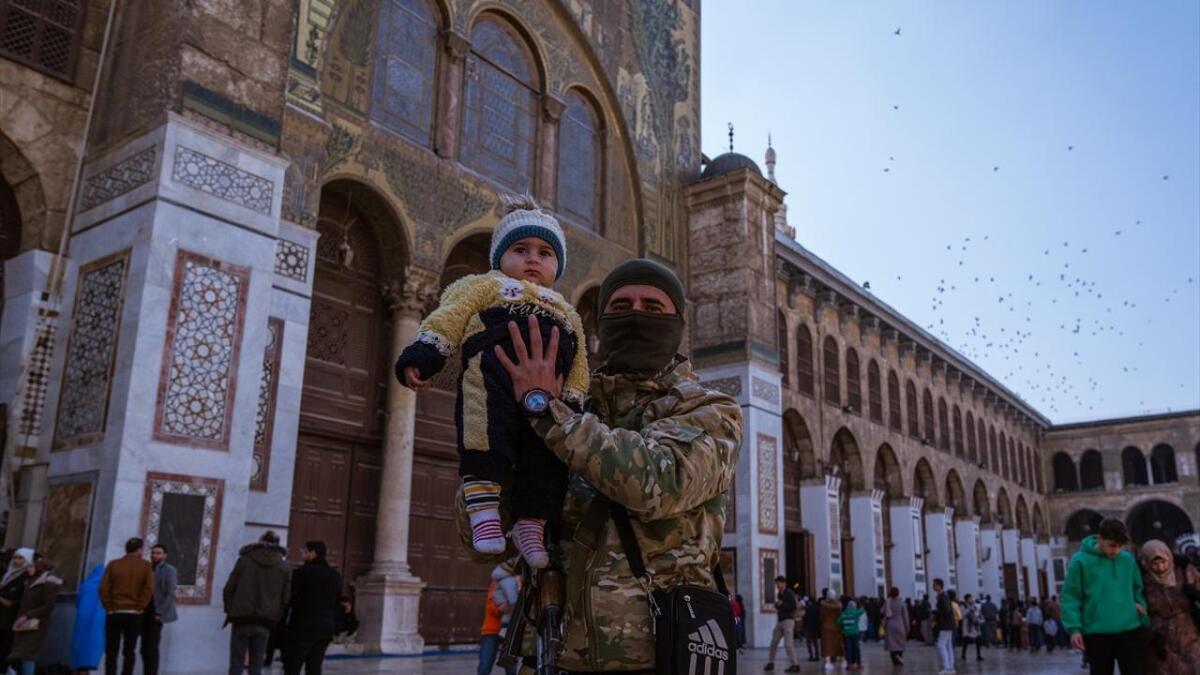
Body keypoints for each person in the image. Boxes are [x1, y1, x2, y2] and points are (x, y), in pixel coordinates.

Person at [453, 258, 743, 672]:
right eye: (620, 308)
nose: (636, 316)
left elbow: (657, 482)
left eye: (652, 307)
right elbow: (481, 543)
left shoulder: (711, 410)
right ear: (600, 322)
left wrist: (546, 412)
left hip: (656, 655)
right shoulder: (570, 404)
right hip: (558, 654)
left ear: (677, 323)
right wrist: (487, 439)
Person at [398, 195, 588, 570]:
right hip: (491, 381)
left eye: (545, 253)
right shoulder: (485, 286)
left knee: (545, 459)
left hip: (550, 403)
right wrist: (424, 354)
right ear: (499, 257)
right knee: (485, 437)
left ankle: (530, 526)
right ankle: (484, 514)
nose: (533, 258)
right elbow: (448, 318)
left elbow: (579, 361)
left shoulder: (567, 312)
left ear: (558, 265)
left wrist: (574, 401)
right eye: (521, 249)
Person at [1061, 517, 1149, 675]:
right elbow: (1071, 597)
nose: (1116, 550)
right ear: (1100, 538)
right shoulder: (1080, 561)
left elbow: (1138, 588)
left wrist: (1140, 608)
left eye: (1121, 546)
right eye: (1112, 545)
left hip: (1130, 629)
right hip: (1096, 633)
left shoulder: (1128, 560)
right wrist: (1074, 629)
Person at [223, 531, 291, 675]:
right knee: (257, 663)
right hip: (265, 621)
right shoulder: (284, 567)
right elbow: (285, 599)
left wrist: (231, 609)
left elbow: (229, 589)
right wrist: (275, 615)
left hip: (241, 618)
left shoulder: (244, 560)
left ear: (260, 541)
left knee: (236, 663)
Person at [1140, 539, 1200, 674]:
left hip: (1188, 633)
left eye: (1163, 562)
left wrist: (1194, 593)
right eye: (1155, 564)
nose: (1160, 568)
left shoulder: (1184, 571)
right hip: (1158, 638)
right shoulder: (1142, 578)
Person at [283, 541, 341, 675]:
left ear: (313, 553)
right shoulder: (335, 575)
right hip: (325, 628)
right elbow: (336, 601)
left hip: (303, 627)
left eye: (305, 551)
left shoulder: (303, 572)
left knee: (293, 666)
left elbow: (291, 598)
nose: (302, 553)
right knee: (315, 667)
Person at [100, 537, 154, 675]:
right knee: (129, 650)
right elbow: (148, 589)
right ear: (140, 550)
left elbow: (104, 588)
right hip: (133, 614)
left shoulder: (113, 564)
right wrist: (140, 607)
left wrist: (109, 607)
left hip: (115, 613)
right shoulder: (146, 566)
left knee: (111, 650)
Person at [10, 557, 62, 674]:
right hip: (24, 623)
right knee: (22, 654)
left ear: (39, 567)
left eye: (31, 566)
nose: (28, 569)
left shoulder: (48, 582)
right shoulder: (31, 581)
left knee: (29, 654)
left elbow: (48, 606)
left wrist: (27, 616)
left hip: (36, 624)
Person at [141, 544, 177, 675]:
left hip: (156, 612)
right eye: (153, 553)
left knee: (151, 647)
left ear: (164, 555)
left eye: (158, 553)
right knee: (144, 647)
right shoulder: (146, 568)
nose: (154, 555)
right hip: (144, 611)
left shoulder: (169, 570)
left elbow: (170, 593)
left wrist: (159, 612)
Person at [476, 564, 518, 675]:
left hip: (510, 631)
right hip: (491, 630)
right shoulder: (495, 582)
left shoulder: (517, 581)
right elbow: (491, 606)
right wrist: (501, 608)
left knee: (511, 668)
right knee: (484, 666)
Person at [71, 564, 106, 672]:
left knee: (78, 643)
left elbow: (78, 601)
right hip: (99, 620)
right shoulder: (106, 586)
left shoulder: (86, 584)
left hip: (82, 618)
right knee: (93, 646)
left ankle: (76, 668)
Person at [0, 548, 32, 665]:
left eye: (20, 558)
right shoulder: (7, 574)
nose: (16, 561)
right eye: (15, 557)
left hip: (10, 620)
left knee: (5, 648)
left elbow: (12, 599)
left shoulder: (25, 577)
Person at [765, 576, 800, 672]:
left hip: (788, 621)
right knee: (774, 642)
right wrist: (778, 605)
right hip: (780, 620)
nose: (777, 585)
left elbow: (793, 606)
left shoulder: (789, 593)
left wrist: (782, 605)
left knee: (788, 644)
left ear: (783, 583)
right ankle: (771, 662)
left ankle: (795, 664)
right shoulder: (780, 594)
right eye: (776, 584)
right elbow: (781, 605)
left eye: (778, 583)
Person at [932, 578, 955, 675]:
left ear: (939, 585)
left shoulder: (943, 596)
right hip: (948, 624)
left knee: (941, 645)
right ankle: (950, 667)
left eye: (934, 584)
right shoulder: (942, 596)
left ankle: (946, 667)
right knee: (948, 645)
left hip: (945, 624)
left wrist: (935, 612)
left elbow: (947, 610)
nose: (933, 586)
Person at [818, 589, 844, 671]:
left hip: (826, 626)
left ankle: (828, 661)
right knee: (837, 644)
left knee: (827, 645)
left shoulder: (823, 605)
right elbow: (840, 615)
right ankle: (841, 659)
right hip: (836, 626)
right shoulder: (838, 606)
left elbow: (821, 616)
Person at [883, 587, 908, 665]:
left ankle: (894, 658)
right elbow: (905, 616)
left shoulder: (887, 602)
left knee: (892, 644)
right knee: (900, 643)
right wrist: (907, 627)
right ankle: (900, 656)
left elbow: (883, 612)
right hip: (900, 623)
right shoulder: (902, 603)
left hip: (890, 624)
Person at [837, 599, 864, 671]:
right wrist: (860, 604)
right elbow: (862, 610)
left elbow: (838, 622)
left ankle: (849, 664)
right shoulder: (855, 612)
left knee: (848, 649)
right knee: (856, 648)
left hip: (846, 634)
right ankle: (859, 664)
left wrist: (843, 627)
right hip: (855, 633)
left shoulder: (843, 614)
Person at [802, 593, 822, 661]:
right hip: (815, 627)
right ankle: (817, 655)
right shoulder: (818, 608)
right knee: (815, 642)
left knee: (808, 642)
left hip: (808, 627)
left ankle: (811, 655)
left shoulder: (807, 608)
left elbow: (805, 617)